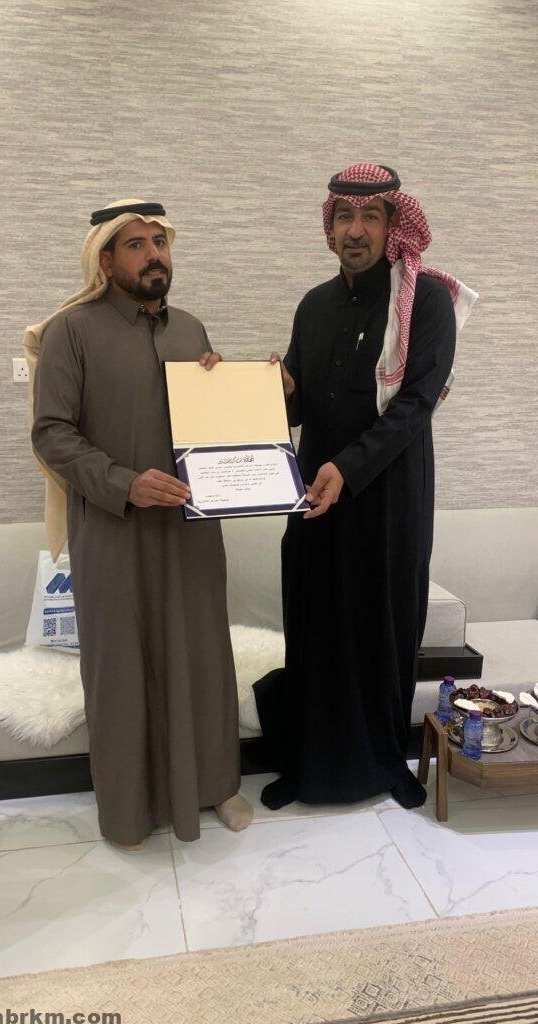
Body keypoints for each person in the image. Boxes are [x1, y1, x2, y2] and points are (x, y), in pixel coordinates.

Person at [26, 198, 253, 849]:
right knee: (123, 670)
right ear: (105, 260)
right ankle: (130, 812)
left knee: (203, 657)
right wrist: (125, 483)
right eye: (137, 244)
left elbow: (216, 428)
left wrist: (243, 388)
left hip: (190, 532)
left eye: (161, 242)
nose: (155, 255)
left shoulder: (191, 330)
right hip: (114, 533)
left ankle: (216, 785)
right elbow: (52, 434)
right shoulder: (71, 332)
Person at [255, 164, 477, 811]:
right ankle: (305, 766)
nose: (356, 230)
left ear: (393, 226)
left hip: (390, 498)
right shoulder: (313, 305)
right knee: (314, 621)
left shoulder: (426, 303)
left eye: (371, 216)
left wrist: (348, 469)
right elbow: (301, 409)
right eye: (345, 217)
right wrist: (277, 392)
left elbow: (414, 406)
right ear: (330, 228)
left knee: (385, 626)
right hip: (315, 498)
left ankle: (386, 764)